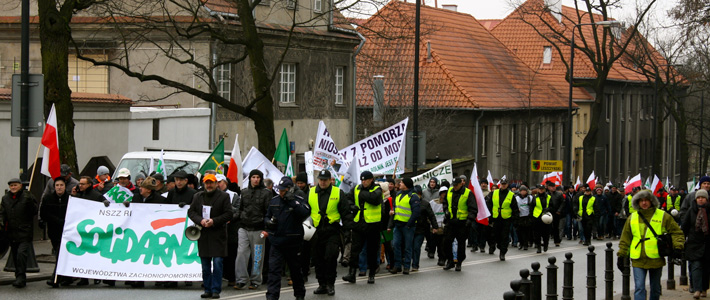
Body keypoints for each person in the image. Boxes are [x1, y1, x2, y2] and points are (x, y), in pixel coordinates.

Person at [617, 189, 684, 300]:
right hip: (638, 257)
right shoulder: (632, 217)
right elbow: (625, 238)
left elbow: (676, 232)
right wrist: (621, 255)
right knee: (639, 287)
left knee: (655, 288)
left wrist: (678, 247)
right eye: (641, 200)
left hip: (656, 258)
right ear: (637, 202)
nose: (644, 203)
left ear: (652, 201)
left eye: (646, 200)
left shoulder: (663, 216)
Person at [188, 174, 233, 299]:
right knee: (205, 266)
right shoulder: (198, 196)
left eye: (211, 183)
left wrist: (214, 221)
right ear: (203, 183)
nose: (209, 185)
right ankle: (207, 289)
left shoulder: (224, 196)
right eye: (207, 183)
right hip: (203, 235)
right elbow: (191, 212)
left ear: (216, 183)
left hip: (218, 235)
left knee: (218, 263)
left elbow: (229, 214)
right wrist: (200, 220)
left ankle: (216, 290)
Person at [264, 176, 310, 300]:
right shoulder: (274, 201)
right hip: (276, 242)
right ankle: (272, 297)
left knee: (295, 271)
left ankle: (299, 294)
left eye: (284, 190)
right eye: (280, 190)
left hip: (293, 242)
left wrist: (292, 202)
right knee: (274, 271)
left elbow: (305, 213)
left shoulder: (299, 200)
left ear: (290, 189)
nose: (281, 192)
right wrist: (268, 223)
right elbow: (267, 216)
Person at [309, 170, 351, 296]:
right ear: (318, 180)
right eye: (321, 179)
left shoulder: (338, 192)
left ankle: (330, 284)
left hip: (332, 230)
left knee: (331, 257)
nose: (322, 182)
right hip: (316, 231)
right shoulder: (311, 192)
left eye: (325, 180)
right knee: (318, 259)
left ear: (329, 180)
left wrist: (348, 230)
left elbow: (346, 213)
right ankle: (322, 284)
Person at [342, 171, 383, 284]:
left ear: (371, 180)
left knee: (372, 251)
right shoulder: (356, 188)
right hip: (359, 223)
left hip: (372, 224)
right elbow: (348, 198)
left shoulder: (377, 189)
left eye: (366, 180)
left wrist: (361, 193)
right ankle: (352, 274)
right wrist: (352, 206)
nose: (363, 182)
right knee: (355, 250)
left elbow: (374, 199)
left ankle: (371, 275)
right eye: (362, 180)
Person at [234, 169, 271, 290]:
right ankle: (241, 280)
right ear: (250, 178)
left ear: (261, 179)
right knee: (241, 254)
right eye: (253, 177)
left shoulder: (266, 193)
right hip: (244, 227)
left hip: (259, 229)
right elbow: (240, 209)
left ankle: (255, 280)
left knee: (257, 256)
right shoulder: (244, 192)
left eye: (258, 177)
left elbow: (268, 212)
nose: (255, 179)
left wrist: (266, 229)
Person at [1, 178, 38, 288]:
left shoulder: (27, 197)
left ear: (20, 186)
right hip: (11, 233)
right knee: (16, 255)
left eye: (15, 185)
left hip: (24, 232)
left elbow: (34, 211)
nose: (13, 187)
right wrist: (2, 224)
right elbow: (2, 213)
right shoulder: (5, 198)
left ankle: (21, 277)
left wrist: (30, 201)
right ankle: (19, 275)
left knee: (21, 254)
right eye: (11, 185)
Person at [40, 177, 70, 287]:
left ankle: (55, 278)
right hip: (54, 231)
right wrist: (57, 220)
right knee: (59, 254)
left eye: (61, 185)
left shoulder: (70, 198)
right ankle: (65, 277)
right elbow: (44, 213)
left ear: (65, 186)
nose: (59, 187)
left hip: (67, 232)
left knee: (61, 254)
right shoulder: (48, 198)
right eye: (57, 185)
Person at [442, 176, 475, 271]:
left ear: (461, 184)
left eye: (456, 185)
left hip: (462, 223)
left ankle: (459, 262)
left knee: (461, 244)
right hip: (451, 222)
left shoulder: (468, 193)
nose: (455, 187)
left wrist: (470, 220)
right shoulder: (450, 191)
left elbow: (473, 208)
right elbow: (445, 203)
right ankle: (450, 261)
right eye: (454, 185)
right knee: (446, 242)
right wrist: (446, 210)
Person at [388, 178, 421, 274]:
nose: (400, 184)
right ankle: (397, 265)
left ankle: (406, 266)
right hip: (398, 225)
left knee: (407, 247)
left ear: (406, 185)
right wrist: (392, 211)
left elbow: (416, 213)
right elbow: (395, 207)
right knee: (396, 245)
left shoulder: (413, 196)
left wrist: (409, 224)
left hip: (408, 226)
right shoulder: (398, 194)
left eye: (401, 183)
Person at [682, 189, 710, 298]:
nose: (700, 199)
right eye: (698, 198)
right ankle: (697, 289)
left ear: (706, 199)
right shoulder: (691, 210)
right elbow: (685, 226)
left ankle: (704, 288)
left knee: (706, 268)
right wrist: (681, 240)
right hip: (694, 244)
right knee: (696, 266)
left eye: (703, 198)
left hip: (707, 244)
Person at [486, 177, 519, 261]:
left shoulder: (511, 195)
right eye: (502, 184)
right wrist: (489, 217)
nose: (503, 185)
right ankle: (499, 246)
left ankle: (502, 252)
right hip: (496, 218)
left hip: (506, 219)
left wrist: (515, 219)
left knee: (505, 236)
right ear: (500, 185)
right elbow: (489, 205)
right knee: (495, 235)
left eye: (505, 184)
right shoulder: (494, 193)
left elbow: (515, 208)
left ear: (507, 185)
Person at [429, 186, 446, 264]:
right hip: (435, 226)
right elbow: (429, 214)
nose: (444, 195)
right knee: (435, 242)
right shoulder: (433, 202)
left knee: (443, 244)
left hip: (445, 227)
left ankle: (442, 258)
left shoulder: (450, 203)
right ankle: (434, 253)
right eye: (443, 193)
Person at [515, 185, 533, 251]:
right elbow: (514, 206)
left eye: (524, 191)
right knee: (519, 231)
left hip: (527, 216)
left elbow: (532, 206)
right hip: (520, 216)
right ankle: (521, 243)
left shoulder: (530, 197)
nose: (523, 192)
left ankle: (525, 244)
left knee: (526, 231)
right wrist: (517, 210)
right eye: (522, 191)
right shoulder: (517, 198)